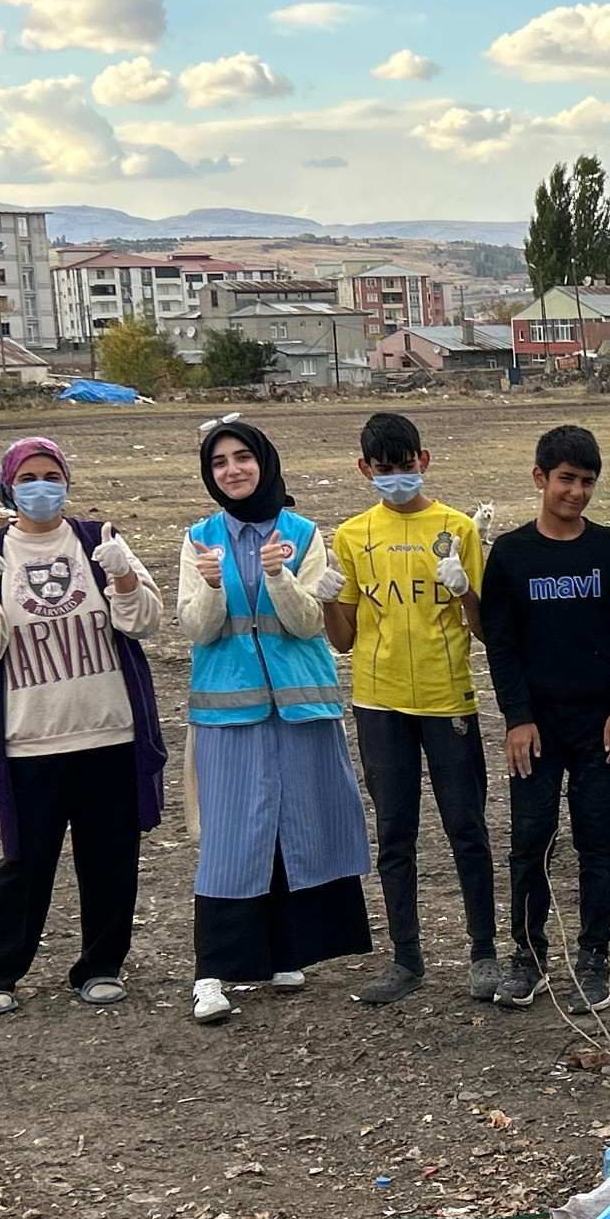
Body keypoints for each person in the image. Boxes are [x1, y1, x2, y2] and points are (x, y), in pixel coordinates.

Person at [0, 437, 167, 1017]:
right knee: (25, 861)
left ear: (67, 480)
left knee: (110, 856)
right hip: (29, 740)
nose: (42, 487)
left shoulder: (101, 541)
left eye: (52, 475)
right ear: (9, 486)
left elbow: (144, 620)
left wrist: (121, 575)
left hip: (109, 733)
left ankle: (101, 965)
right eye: (28, 478)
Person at [180, 420, 371, 1025]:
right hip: (228, 714)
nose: (232, 470)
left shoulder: (303, 533)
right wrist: (213, 588)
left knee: (299, 825)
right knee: (231, 837)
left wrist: (279, 577)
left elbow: (310, 622)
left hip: (301, 707)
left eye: (242, 458)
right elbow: (197, 629)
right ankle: (212, 972)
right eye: (219, 463)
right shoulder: (199, 539)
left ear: (264, 462)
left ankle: (288, 952)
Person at [322, 411, 496, 1005]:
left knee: (466, 828)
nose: (396, 477)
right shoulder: (350, 536)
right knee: (395, 833)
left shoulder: (457, 530)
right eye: (384, 469)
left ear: (425, 460)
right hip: (379, 701)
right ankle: (406, 959)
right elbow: (342, 639)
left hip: (448, 698)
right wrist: (326, 600)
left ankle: (484, 953)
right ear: (365, 469)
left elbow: (483, 628)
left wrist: (463, 588)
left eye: (405, 466)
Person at [478, 426, 610, 1007]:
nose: (576, 492)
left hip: (600, 724)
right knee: (530, 842)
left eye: (587, 482)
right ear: (540, 479)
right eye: (566, 479)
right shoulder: (510, 554)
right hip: (536, 727)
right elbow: (500, 643)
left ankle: (594, 956)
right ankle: (528, 957)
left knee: (597, 843)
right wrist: (517, 717)